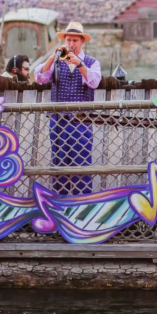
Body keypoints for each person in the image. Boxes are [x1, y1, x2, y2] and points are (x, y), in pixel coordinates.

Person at [34, 22, 101, 195]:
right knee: (58, 164)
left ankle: (82, 203)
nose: (71, 44)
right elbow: (39, 77)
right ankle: (60, 202)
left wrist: (80, 64)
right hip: (58, 120)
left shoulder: (92, 62)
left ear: (82, 42)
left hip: (82, 122)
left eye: (75, 41)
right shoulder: (57, 60)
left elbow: (94, 82)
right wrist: (52, 57)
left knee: (81, 165)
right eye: (68, 40)